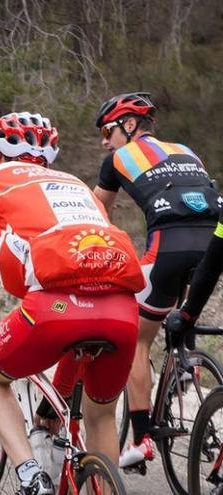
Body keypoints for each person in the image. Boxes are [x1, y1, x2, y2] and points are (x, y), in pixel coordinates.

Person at [0, 112, 144, 494]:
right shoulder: (76, 184)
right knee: (100, 416)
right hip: (122, 308)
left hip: (54, 307)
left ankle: (30, 475)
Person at [92, 92, 220, 469]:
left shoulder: (117, 158)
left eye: (107, 131)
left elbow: (98, 213)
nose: (104, 140)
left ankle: (142, 438)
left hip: (167, 246)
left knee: (136, 339)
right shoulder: (186, 149)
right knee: (180, 305)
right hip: (214, 242)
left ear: (128, 126)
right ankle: (186, 364)